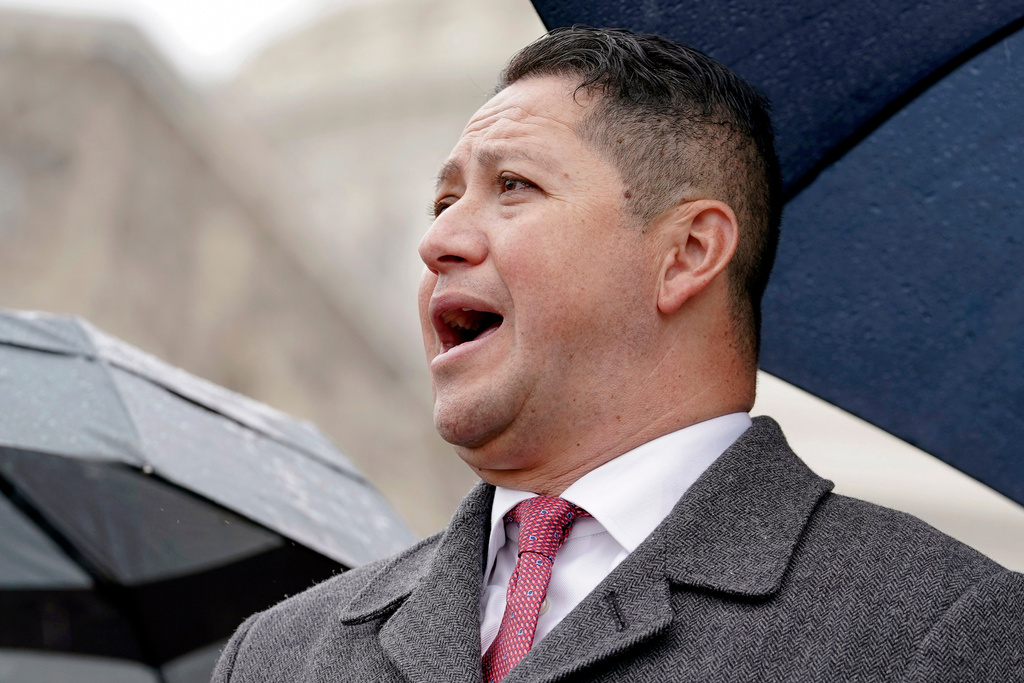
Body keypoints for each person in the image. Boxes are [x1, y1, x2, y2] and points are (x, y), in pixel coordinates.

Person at [212, 27, 1023, 683]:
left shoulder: (940, 634)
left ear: (687, 253)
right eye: (443, 199)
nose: (437, 241)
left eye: (514, 186)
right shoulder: (280, 655)